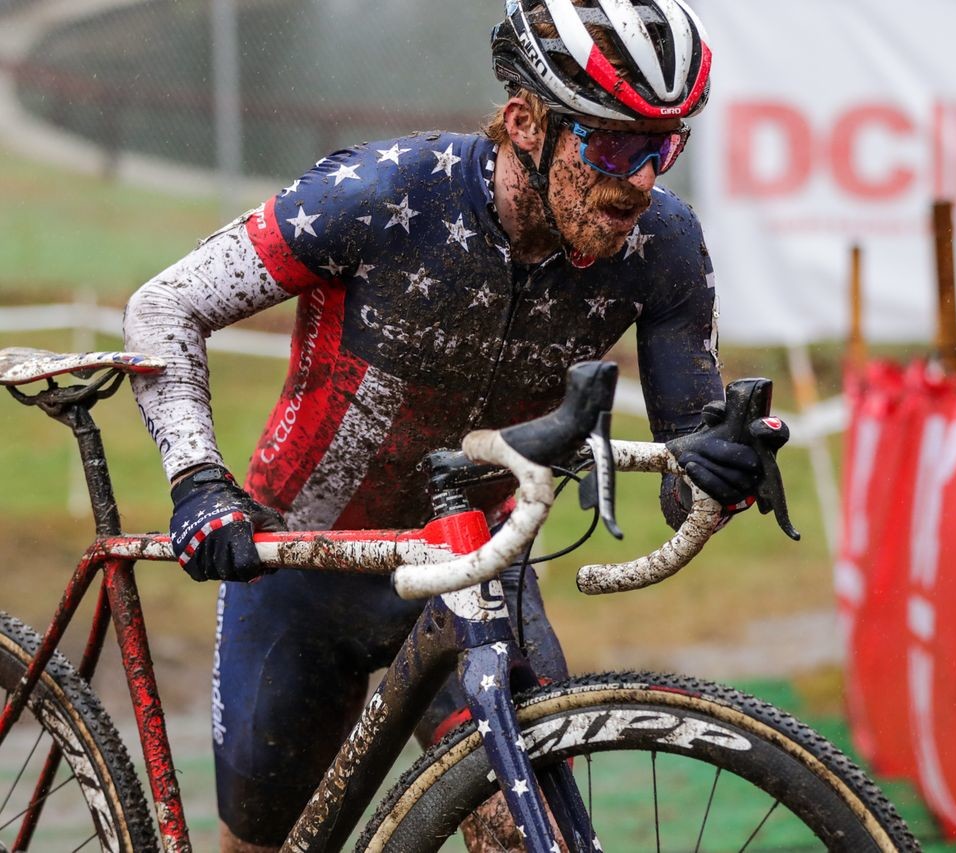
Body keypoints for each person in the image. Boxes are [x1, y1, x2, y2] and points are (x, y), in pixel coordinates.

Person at [124, 0, 765, 849]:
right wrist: (198, 479)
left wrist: (722, 468)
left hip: (474, 559)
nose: (642, 179)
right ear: (524, 121)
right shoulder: (385, 193)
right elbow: (163, 305)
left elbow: (687, 477)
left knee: (529, 833)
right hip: (304, 561)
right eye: (612, 145)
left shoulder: (665, 245)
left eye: (665, 146)